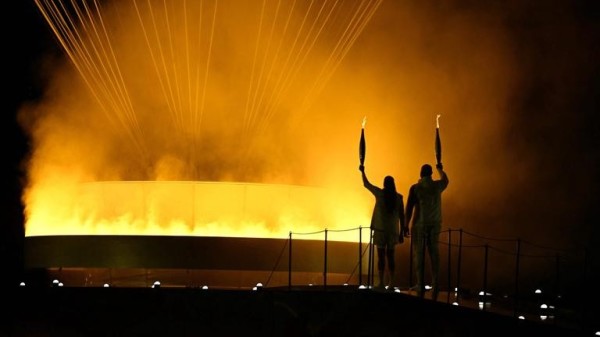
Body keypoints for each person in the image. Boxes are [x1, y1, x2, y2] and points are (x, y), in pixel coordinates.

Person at [405, 163, 449, 300]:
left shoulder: (416, 188)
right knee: (434, 253)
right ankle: (435, 283)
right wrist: (440, 169)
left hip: (420, 224)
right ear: (431, 174)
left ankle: (420, 283)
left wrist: (405, 225)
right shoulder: (437, 186)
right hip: (435, 224)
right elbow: (446, 180)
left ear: (420, 173)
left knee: (419, 254)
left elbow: (409, 208)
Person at [359, 164, 407, 289]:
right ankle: (391, 283)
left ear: (384, 184)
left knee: (381, 256)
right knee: (391, 256)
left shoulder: (380, 194)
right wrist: (402, 232)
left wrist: (362, 171)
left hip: (380, 230)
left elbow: (366, 184)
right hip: (392, 231)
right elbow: (402, 216)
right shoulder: (399, 198)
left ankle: (381, 282)